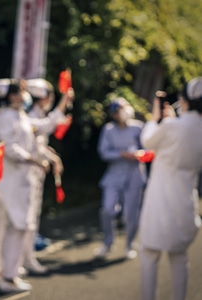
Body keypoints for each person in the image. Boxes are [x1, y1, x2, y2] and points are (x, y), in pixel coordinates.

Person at [0, 79, 73, 292]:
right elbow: (10, 148)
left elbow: (39, 133)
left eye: (22, 93)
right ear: (7, 95)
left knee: (14, 225)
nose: (20, 97)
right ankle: (7, 276)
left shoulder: (21, 116)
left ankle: (5, 271)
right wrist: (34, 160)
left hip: (18, 180)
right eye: (16, 93)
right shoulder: (5, 117)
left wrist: (48, 157)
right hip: (8, 180)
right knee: (16, 225)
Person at [139, 77, 202, 300]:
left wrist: (156, 118)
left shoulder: (171, 126)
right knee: (180, 258)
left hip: (160, 201)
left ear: (186, 100)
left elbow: (147, 141)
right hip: (185, 201)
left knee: (149, 256)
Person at [22, 78, 68, 274]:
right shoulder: (29, 116)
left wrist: (53, 158)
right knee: (27, 218)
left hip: (36, 171)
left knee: (33, 216)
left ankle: (27, 257)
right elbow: (45, 126)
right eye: (48, 96)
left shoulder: (36, 114)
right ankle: (24, 259)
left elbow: (40, 143)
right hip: (26, 172)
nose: (50, 99)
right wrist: (64, 102)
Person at [94, 97, 147, 259]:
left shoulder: (139, 128)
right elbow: (103, 152)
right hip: (114, 175)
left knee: (131, 214)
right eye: (119, 110)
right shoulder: (109, 130)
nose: (123, 112)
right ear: (113, 114)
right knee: (107, 209)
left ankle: (129, 244)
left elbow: (149, 148)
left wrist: (139, 154)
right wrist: (121, 154)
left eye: (125, 107)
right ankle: (107, 243)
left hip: (134, 175)